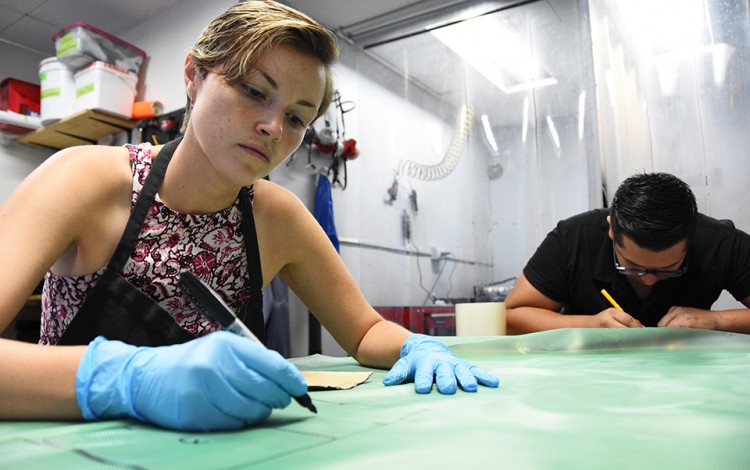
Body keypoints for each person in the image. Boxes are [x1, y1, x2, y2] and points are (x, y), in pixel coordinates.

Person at [0, 1, 498, 432]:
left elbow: (364, 332)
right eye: (255, 91)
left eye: (299, 117)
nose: (272, 127)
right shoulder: (84, 180)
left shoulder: (276, 217)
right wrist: (126, 378)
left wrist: (416, 347)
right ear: (194, 77)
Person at [505, 172, 750, 335]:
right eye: (632, 266)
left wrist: (718, 321)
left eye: (667, 268)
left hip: (689, 372)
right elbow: (511, 316)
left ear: (692, 238)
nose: (648, 279)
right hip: (586, 370)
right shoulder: (574, 238)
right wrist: (590, 325)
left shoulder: (722, 242)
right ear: (611, 228)